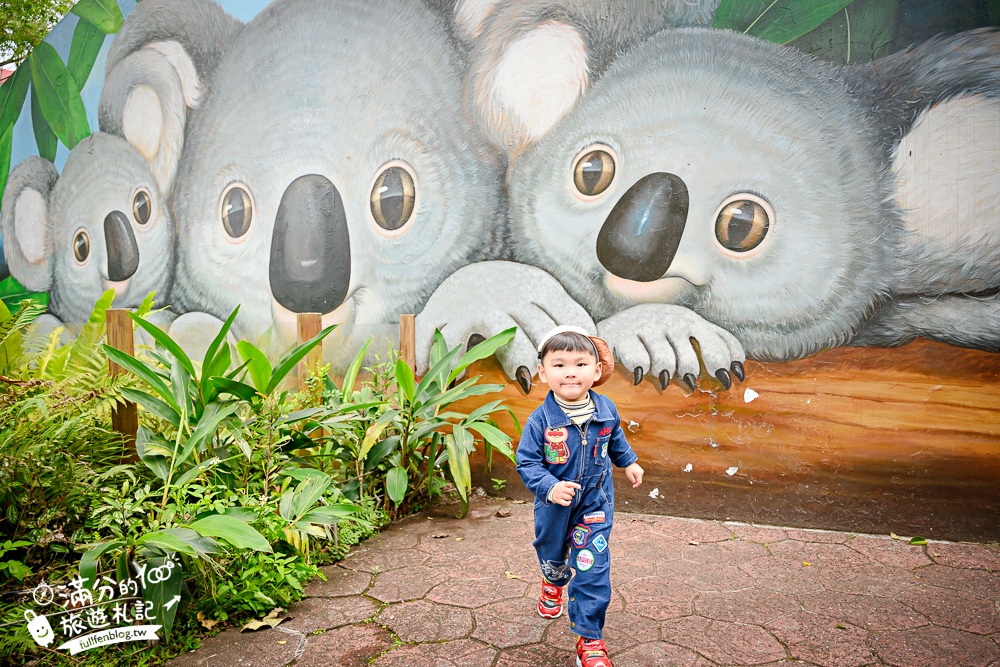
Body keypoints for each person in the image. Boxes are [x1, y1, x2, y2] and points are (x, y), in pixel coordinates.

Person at [516, 325, 644, 667]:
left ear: (597, 370)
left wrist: (628, 462)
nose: (570, 372)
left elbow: (615, 439)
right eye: (559, 365)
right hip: (554, 508)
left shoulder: (606, 410)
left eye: (580, 364)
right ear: (543, 372)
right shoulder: (540, 422)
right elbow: (526, 462)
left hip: (594, 504)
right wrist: (550, 487)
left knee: (592, 568)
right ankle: (553, 579)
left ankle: (590, 639)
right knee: (553, 555)